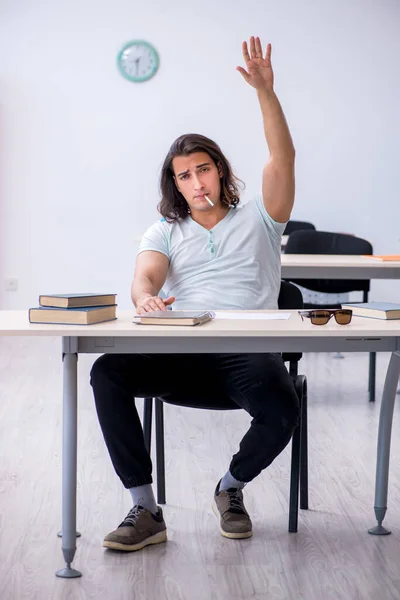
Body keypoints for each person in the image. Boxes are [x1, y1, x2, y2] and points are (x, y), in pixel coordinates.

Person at [90, 36, 299, 552]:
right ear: (176, 185)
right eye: (184, 175)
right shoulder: (164, 229)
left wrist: (265, 91)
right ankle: (145, 507)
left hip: (249, 355)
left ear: (220, 170)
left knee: (282, 408)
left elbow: (282, 155)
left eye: (202, 168)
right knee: (106, 372)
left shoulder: (262, 218)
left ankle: (231, 489)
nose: (195, 180)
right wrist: (144, 299)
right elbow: (146, 278)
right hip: (181, 353)